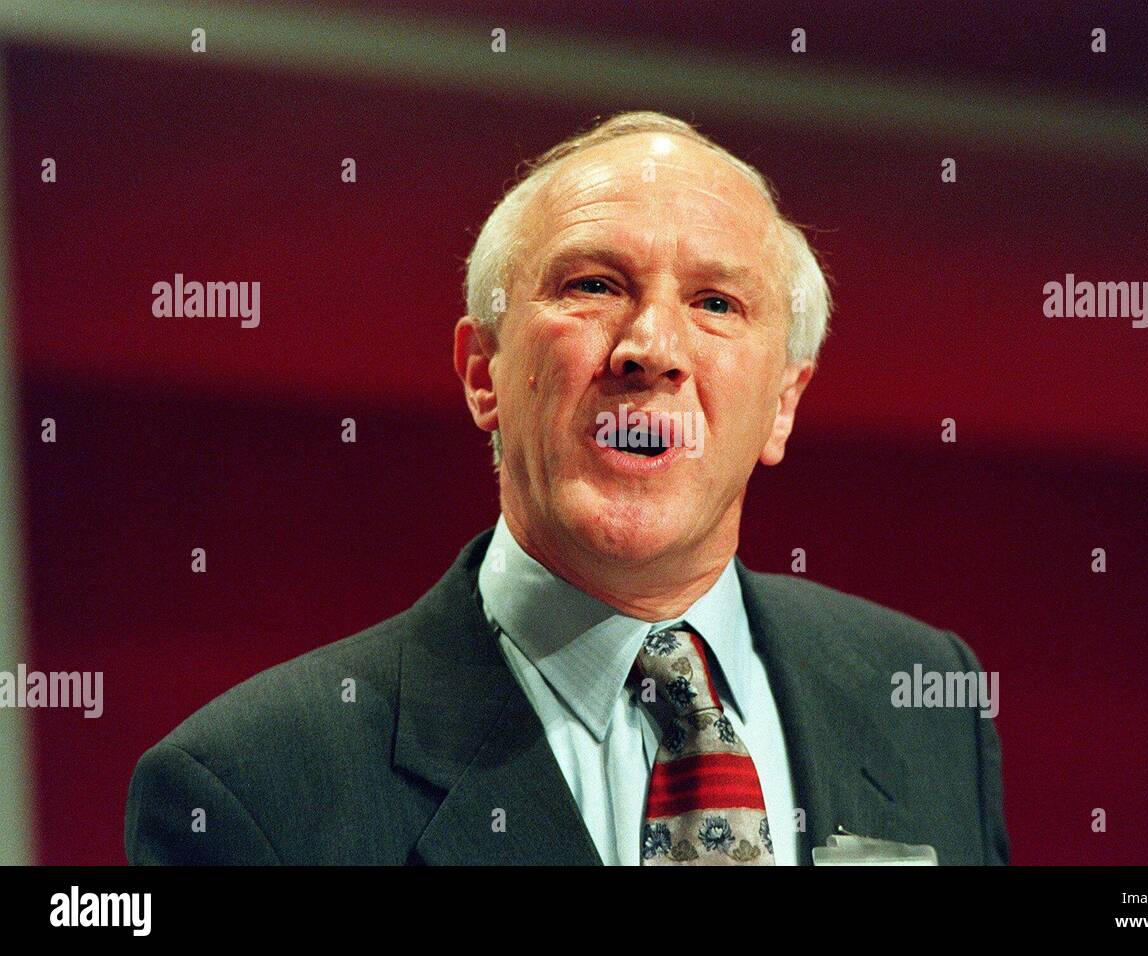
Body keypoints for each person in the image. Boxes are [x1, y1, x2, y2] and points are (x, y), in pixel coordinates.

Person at [125, 111, 1010, 866]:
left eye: (716, 304)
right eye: (594, 285)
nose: (651, 347)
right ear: (483, 374)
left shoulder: (926, 693)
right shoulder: (254, 789)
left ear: (783, 403)